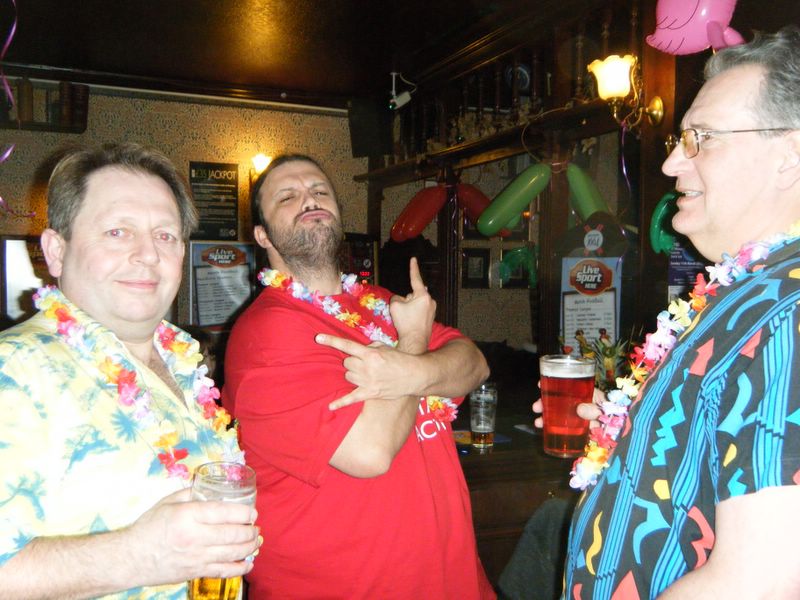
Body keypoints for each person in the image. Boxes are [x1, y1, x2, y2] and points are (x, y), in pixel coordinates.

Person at [534, 27, 800, 599]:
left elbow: (763, 582)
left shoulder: (790, 314)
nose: (674, 162)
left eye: (702, 139)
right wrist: (628, 430)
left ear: (790, 155)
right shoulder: (751, 292)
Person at [223, 154, 495, 599]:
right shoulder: (266, 333)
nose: (309, 199)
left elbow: (473, 363)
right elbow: (370, 453)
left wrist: (407, 369)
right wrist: (413, 343)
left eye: (320, 191)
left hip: (451, 579)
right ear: (262, 235)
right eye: (287, 197)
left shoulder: (379, 302)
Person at [0, 143, 261, 598]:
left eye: (165, 235)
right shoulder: (15, 368)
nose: (147, 254)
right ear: (56, 251)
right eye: (118, 232)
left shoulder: (184, 362)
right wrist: (138, 555)